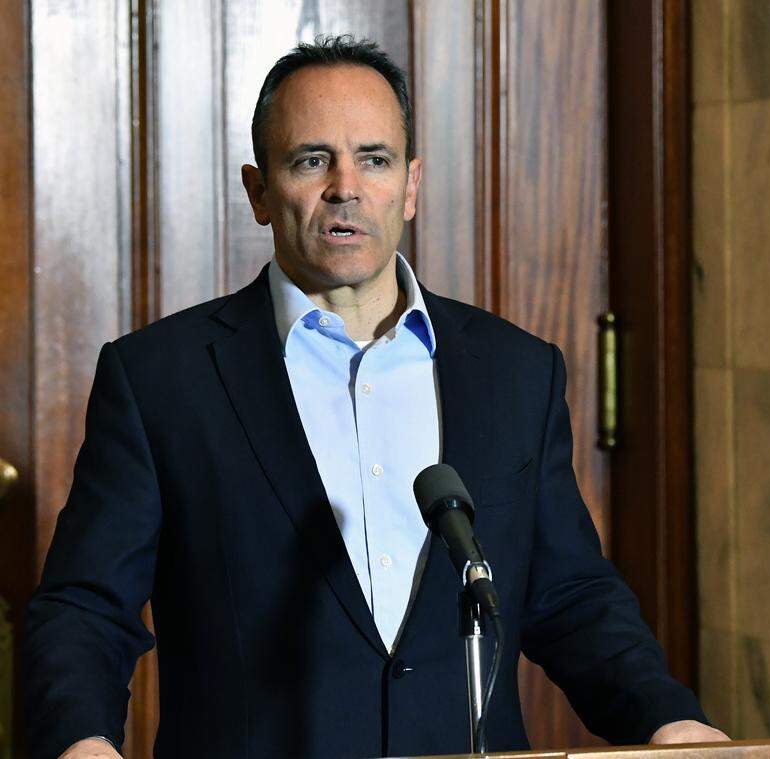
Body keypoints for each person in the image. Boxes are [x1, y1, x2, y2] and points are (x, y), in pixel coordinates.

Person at [22, 35, 728, 759]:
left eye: (375, 158)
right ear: (259, 191)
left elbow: (571, 596)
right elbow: (84, 609)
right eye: (310, 160)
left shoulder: (515, 372)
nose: (346, 187)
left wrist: (665, 718)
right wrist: (84, 740)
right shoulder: (161, 380)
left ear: (411, 185)